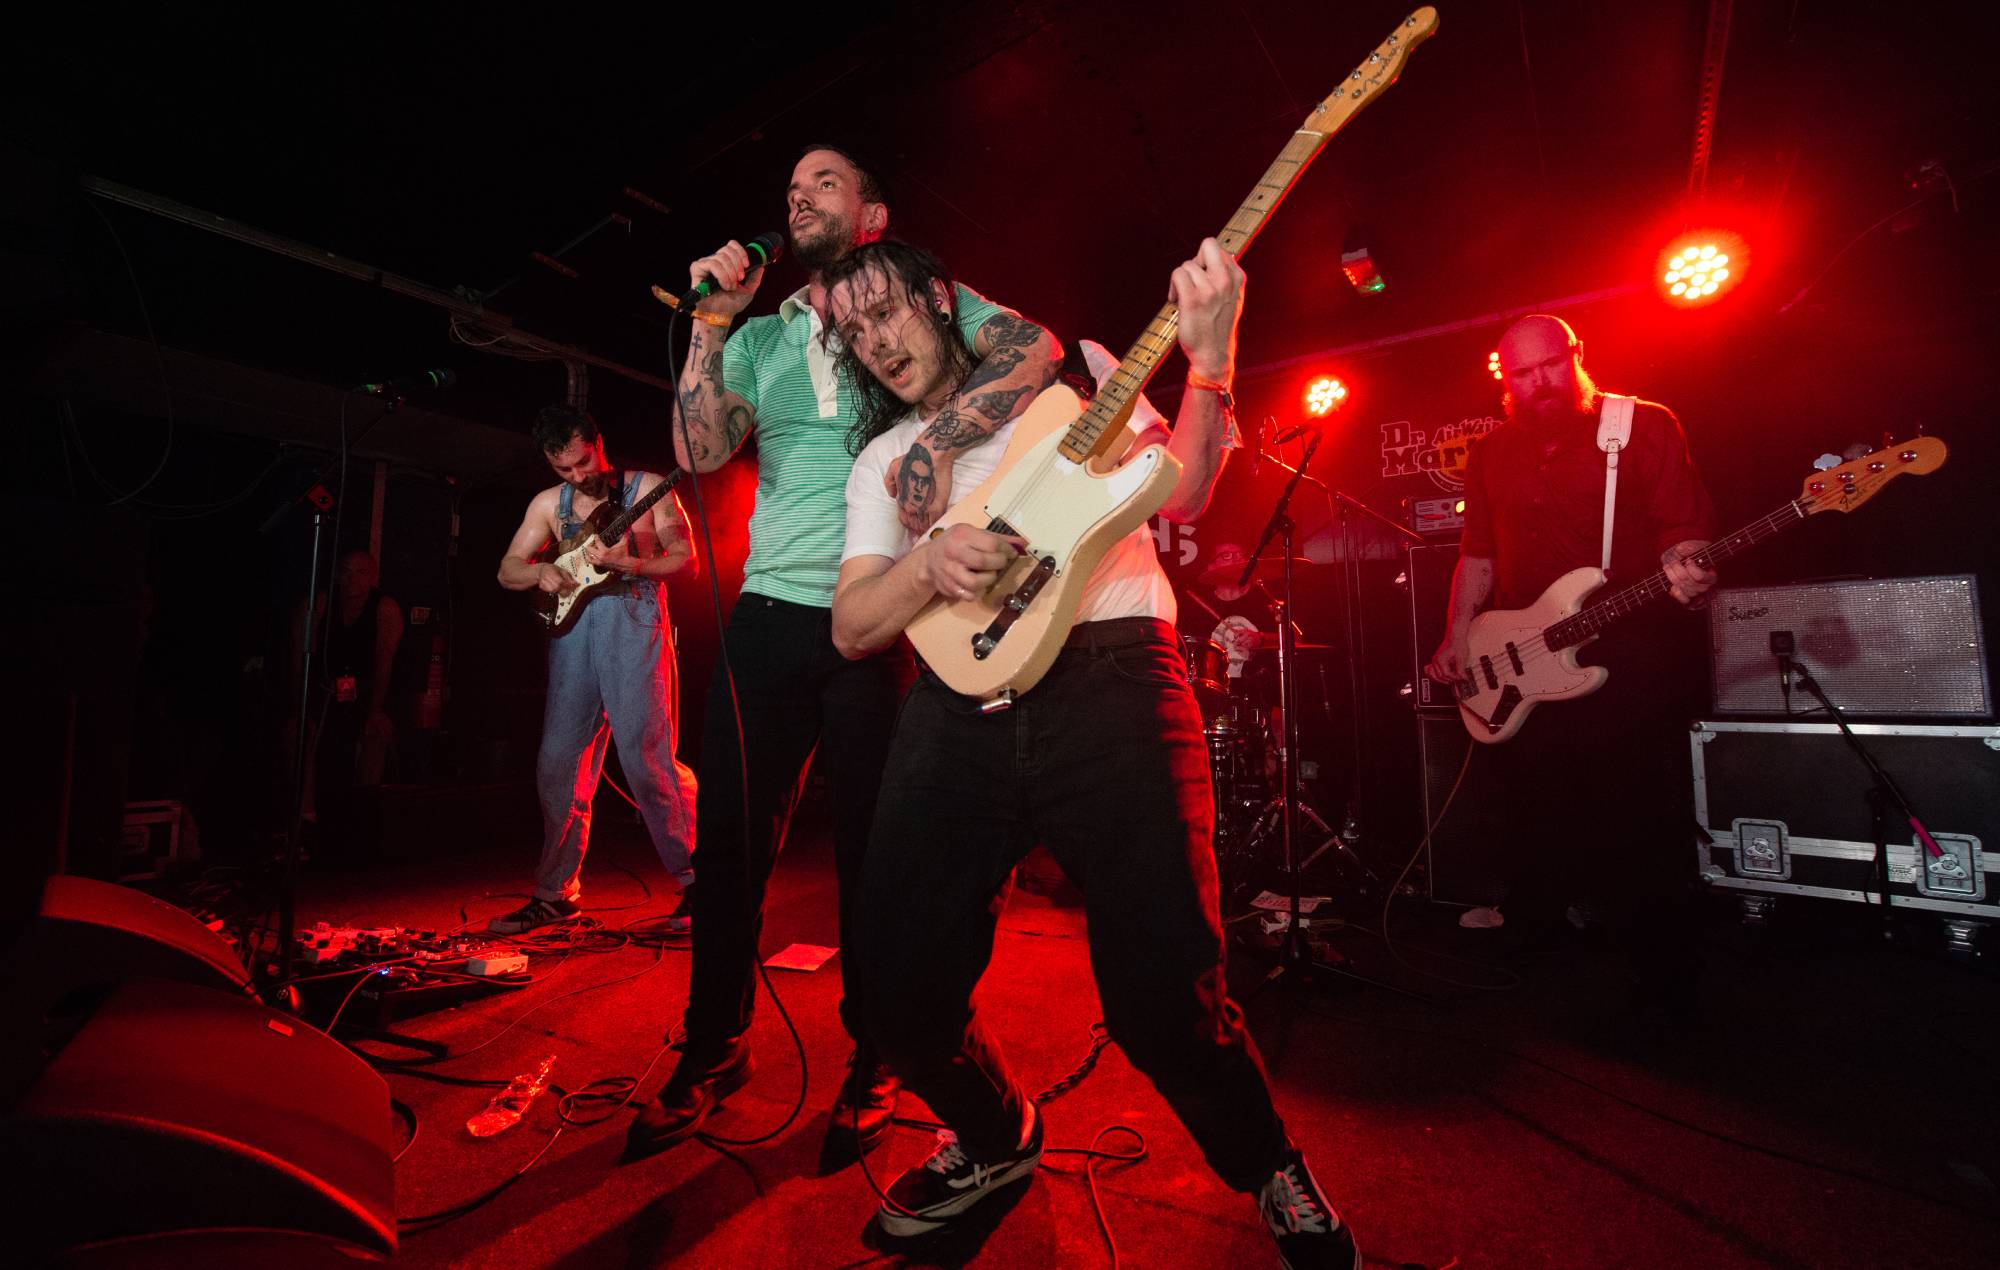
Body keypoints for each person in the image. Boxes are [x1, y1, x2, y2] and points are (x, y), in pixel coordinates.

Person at [827, 238, 1361, 1268]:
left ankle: (1264, 1163)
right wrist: (928, 560)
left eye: (887, 310)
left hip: (1112, 676)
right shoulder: (884, 461)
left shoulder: (1073, 382)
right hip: (954, 700)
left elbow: (1190, 491)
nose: (876, 340)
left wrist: (1210, 364)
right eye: (853, 330)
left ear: (941, 301)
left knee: (1167, 1001)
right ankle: (992, 1136)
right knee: (887, 996)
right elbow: (853, 624)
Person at [626, 145, 1061, 1164]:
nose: (797, 196)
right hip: (770, 616)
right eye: (787, 189)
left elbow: (1036, 348)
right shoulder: (760, 338)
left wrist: (936, 440)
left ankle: (876, 1053)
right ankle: (712, 1045)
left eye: (823, 182)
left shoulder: (915, 301)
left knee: (877, 853)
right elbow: (696, 450)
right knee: (729, 844)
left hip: (887, 613)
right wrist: (707, 324)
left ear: (871, 213)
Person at [1425, 314, 1718, 1006]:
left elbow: (1683, 526)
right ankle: (1541, 929)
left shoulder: (1640, 423)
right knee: (1534, 804)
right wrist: (1457, 635)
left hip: (1628, 640)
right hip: (1526, 652)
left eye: (1548, 366)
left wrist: (1686, 564)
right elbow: (1478, 556)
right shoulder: (1495, 451)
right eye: (1521, 374)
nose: (1538, 384)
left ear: (1575, 356)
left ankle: (1660, 970)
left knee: (1640, 806)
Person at [492, 404, 700, 935]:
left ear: (597, 442)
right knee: (558, 760)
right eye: (565, 470)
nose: (579, 476)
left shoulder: (647, 487)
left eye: (584, 462)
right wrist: (541, 572)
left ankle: (701, 881)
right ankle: (556, 894)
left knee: (648, 759)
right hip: (572, 635)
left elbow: (687, 558)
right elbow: (507, 569)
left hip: (635, 616)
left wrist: (634, 564)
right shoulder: (548, 503)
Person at [295, 549, 403, 860]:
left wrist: (375, 710)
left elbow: (385, 662)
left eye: (359, 573)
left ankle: (364, 819)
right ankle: (307, 819)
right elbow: (299, 661)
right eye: (346, 572)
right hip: (327, 692)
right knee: (299, 733)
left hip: (367, 695)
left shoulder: (385, 609)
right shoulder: (319, 606)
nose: (351, 580)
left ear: (373, 578)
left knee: (375, 732)